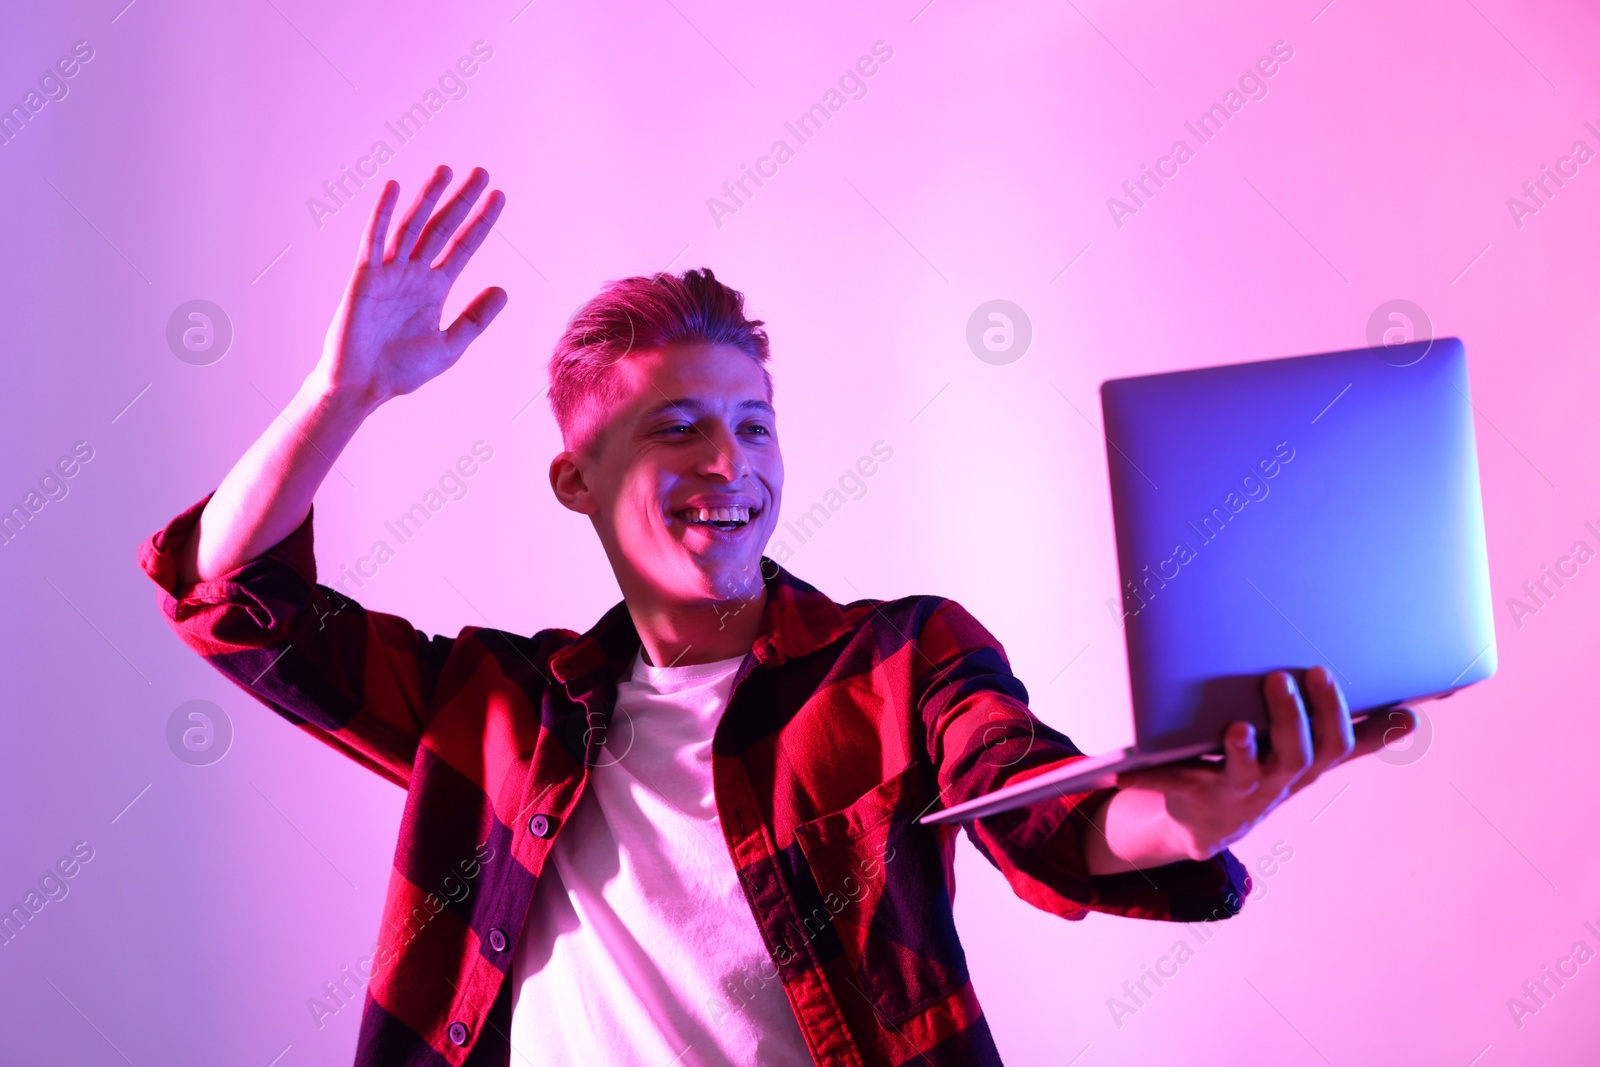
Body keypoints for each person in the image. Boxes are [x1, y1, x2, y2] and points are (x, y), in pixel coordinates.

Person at [139, 165, 1414, 1067]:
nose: (728, 463)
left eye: (753, 424)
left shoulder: (900, 660)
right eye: (675, 426)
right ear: (574, 478)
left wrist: (1187, 810)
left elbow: (1038, 805)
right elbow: (231, 598)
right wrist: (340, 393)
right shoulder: (495, 710)